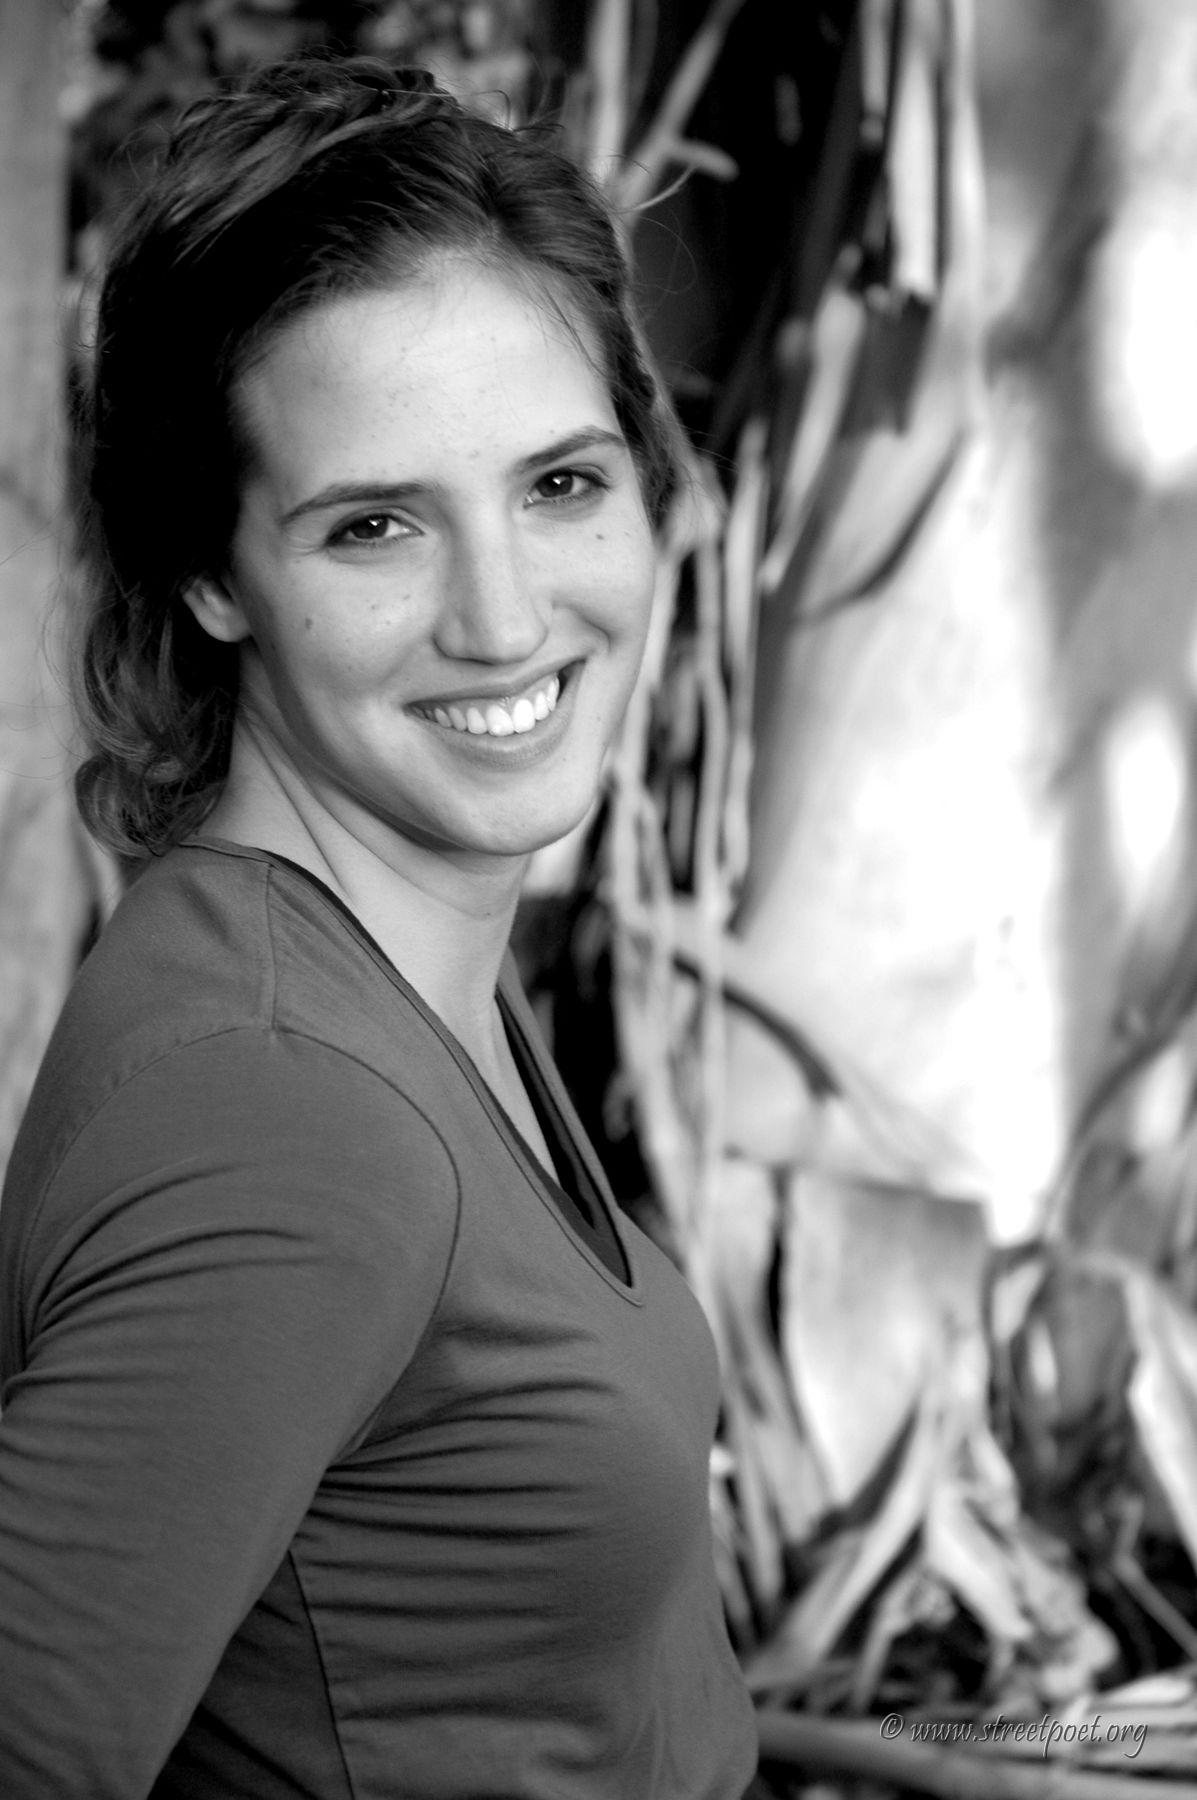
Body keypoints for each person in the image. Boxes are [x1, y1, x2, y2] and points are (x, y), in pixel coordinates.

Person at [0, 50, 759, 1800]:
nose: (502, 619)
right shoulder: (286, 1115)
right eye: (373, 526)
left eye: (559, 486)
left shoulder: (386, 972)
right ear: (211, 573)